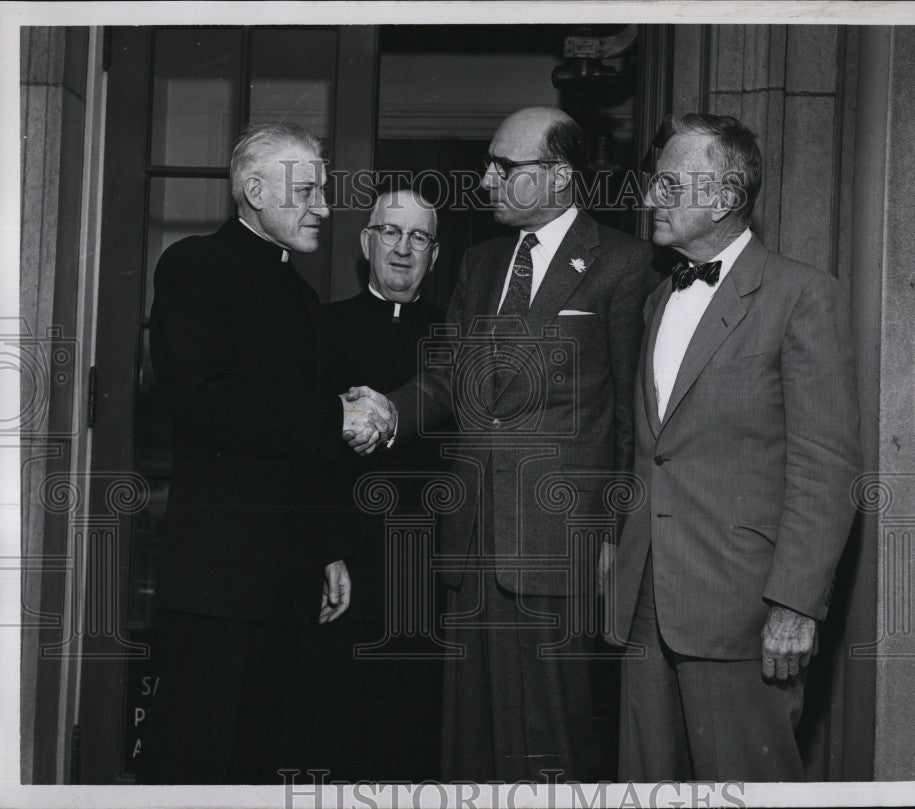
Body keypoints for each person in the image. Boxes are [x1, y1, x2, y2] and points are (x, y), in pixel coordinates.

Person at [349, 106, 656, 782]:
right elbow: (443, 375)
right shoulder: (480, 263)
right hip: (471, 543)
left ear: (558, 177)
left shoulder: (624, 264)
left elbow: (636, 421)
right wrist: (388, 413)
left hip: (560, 546)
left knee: (554, 737)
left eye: (504, 166)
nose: (486, 179)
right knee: (469, 742)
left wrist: (617, 537)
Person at [605, 113, 861, 782]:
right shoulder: (658, 298)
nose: (649, 197)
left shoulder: (802, 295)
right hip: (645, 606)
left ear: (722, 197)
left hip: (742, 612)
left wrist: (796, 605)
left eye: (667, 183)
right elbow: (652, 452)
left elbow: (826, 467)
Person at [139, 121, 392, 784]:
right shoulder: (194, 268)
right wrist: (336, 413)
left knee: (257, 760)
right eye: (305, 189)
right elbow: (205, 401)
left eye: (323, 190)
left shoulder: (300, 295)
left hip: (286, 580)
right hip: (218, 582)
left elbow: (305, 451)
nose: (325, 206)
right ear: (252, 190)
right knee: (195, 760)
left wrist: (329, 545)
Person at [315, 189, 447, 780]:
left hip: (430, 569)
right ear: (366, 243)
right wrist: (326, 549)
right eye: (390, 232)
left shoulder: (453, 339)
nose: (403, 247)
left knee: (413, 741)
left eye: (418, 237)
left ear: (434, 254)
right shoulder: (320, 328)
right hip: (344, 563)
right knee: (332, 737)